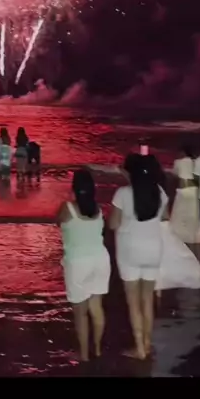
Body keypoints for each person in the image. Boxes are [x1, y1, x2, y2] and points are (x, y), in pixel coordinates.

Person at [109, 154, 168, 360]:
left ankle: (139, 349)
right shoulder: (159, 192)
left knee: (133, 302)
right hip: (154, 249)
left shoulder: (123, 193)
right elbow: (165, 217)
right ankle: (147, 344)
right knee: (147, 300)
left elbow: (113, 224)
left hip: (129, 251)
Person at [57, 168, 111, 362]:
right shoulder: (99, 210)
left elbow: (58, 223)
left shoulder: (67, 208)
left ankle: (84, 354)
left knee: (80, 313)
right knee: (96, 307)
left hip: (78, 263)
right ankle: (97, 348)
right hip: (100, 260)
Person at [170, 144, 200, 246]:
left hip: (183, 190)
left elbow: (174, 173)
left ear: (183, 152)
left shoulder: (178, 162)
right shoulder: (196, 162)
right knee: (193, 216)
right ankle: (194, 237)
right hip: (194, 190)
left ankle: (180, 237)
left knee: (179, 215)